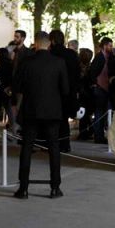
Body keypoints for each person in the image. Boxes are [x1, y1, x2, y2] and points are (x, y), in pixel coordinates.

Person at [13, 31, 69, 199]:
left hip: (31, 110)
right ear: (49, 44)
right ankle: (55, 187)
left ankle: (23, 188)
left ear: (35, 43)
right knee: (54, 148)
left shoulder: (27, 62)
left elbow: (17, 86)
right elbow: (65, 89)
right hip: (52, 111)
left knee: (27, 147)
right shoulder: (59, 62)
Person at [49, 29, 80, 153]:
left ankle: (54, 144)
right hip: (69, 92)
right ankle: (65, 144)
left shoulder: (51, 54)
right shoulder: (71, 54)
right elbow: (77, 74)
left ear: (52, 40)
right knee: (64, 120)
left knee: (53, 121)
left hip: (54, 92)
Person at [89, 37, 115, 144]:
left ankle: (100, 135)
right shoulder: (99, 57)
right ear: (105, 46)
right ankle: (98, 136)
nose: (111, 47)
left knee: (103, 113)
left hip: (105, 89)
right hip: (100, 89)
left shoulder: (109, 57)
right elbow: (92, 72)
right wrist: (95, 84)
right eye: (110, 45)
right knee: (99, 113)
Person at [77, 48, 94, 140]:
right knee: (86, 114)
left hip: (83, 93)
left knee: (83, 114)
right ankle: (89, 130)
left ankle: (84, 132)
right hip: (88, 93)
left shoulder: (80, 67)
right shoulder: (90, 67)